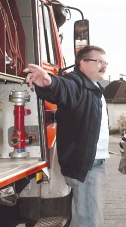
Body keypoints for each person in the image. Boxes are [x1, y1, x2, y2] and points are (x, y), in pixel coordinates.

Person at [23, 45, 109, 227]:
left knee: (83, 217)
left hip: (91, 165)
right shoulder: (77, 83)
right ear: (83, 63)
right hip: (88, 167)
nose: (104, 65)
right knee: (90, 222)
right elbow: (63, 87)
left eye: (105, 62)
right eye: (99, 61)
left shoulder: (93, 88)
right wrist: (48, 81)